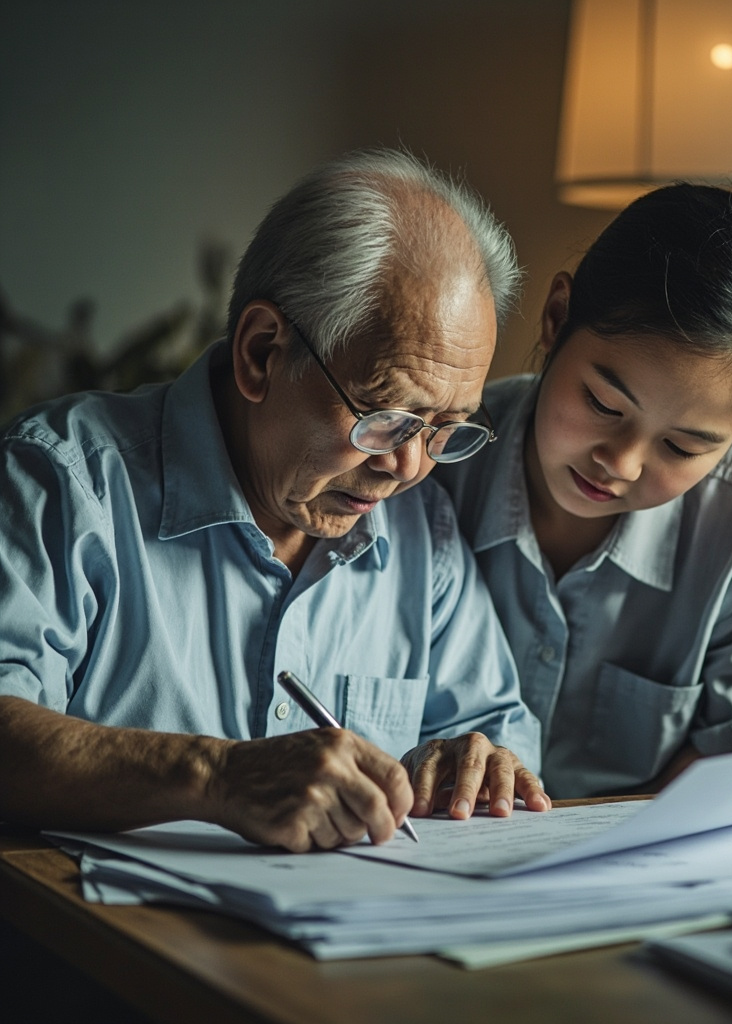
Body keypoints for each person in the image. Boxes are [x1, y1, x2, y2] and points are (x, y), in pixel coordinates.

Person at [0, 149, 550, 852]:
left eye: (446, 428)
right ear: (261, 352)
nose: (407, 467)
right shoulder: (63, 482)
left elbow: (496, 736)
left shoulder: (424, 533)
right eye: (386, 415)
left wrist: (474, 763)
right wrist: (216, 776)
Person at [436, 183, 732, 799]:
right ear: (556, 318)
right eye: (603, 404)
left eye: (682, 447)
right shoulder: (433, 459)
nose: (620, 464)